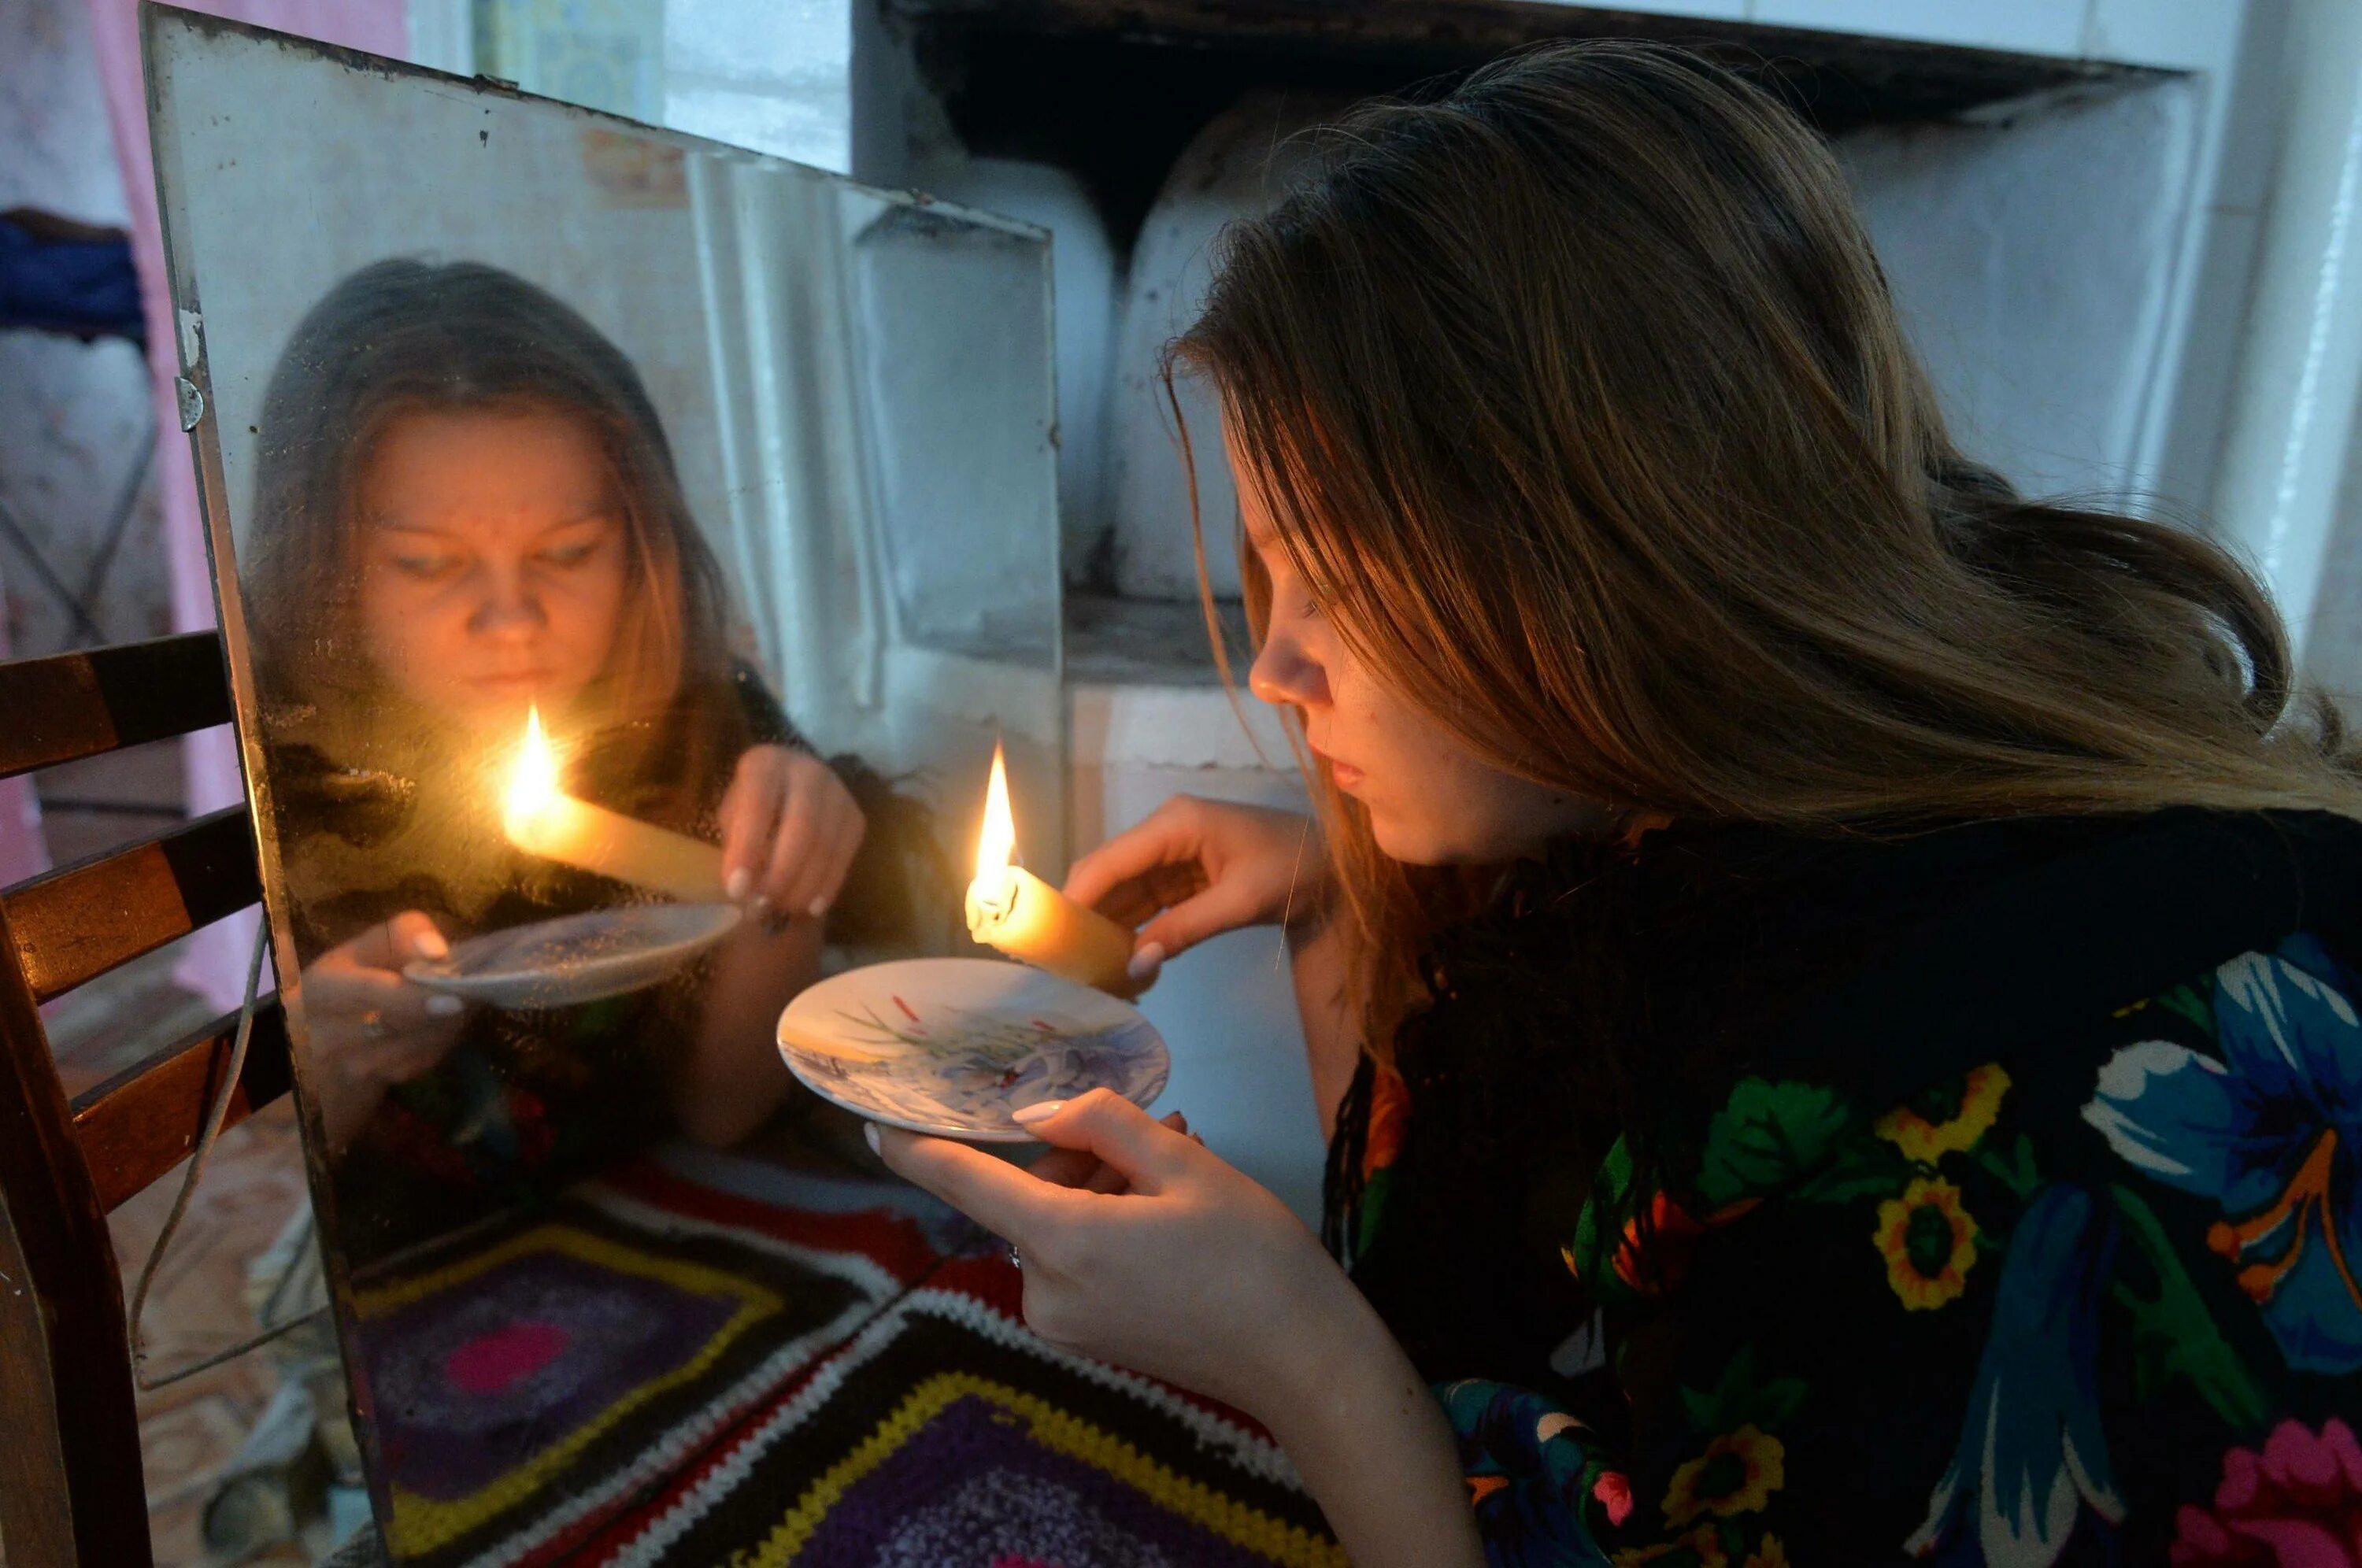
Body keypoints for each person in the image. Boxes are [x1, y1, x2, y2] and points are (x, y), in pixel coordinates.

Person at [872, 42, 2362, 1566]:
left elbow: (1427, 1403)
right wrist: (1337, 900)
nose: (1275, 666)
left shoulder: (1978, 1142)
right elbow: (1461, 1330)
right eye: (1272, 568)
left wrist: (1289, 1358)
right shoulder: (1635, 864)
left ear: (1629, 549)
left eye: (1351, 576)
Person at [246, 259, 899, 1262]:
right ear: (325, 567)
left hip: (664, 1225)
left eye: (568, 552)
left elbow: (723, 1113)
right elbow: (259, 1200)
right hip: (414, 1269)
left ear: (637, 542)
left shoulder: (694, 722)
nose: (511, 620)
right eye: (427, 563)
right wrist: (327, 1061)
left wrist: (791, 882)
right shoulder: (278, 777)